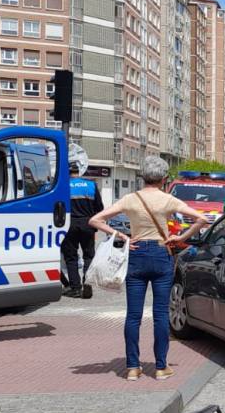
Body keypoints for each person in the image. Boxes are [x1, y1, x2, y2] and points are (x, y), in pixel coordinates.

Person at [90, 156, 210, 382]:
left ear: (142, 176)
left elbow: (96, 220)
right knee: (160, 314)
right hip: (161, 253)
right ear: (165, 179)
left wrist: (123, 236)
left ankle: (133, 368)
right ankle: (161, 367)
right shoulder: (167, 200)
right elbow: (201, 219)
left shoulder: (130, 199)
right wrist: (180, 237)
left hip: (136, 254)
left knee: (133, 315)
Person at [61, 162, 103, 299]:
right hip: (88, 224)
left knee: (71, 257)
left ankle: (75, 288)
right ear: (79, 171)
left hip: (69, 224)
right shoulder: (91, 185)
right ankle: (87, 284)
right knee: (89, 256)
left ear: (68, 173)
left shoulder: (63, 186)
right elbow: (100, 208)